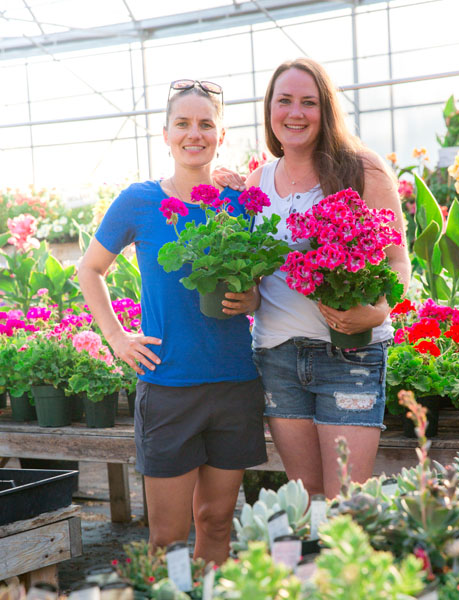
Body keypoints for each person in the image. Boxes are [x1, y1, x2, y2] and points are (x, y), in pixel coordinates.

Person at [78, 79, 267, 564]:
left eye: (206, 124)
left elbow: (263, 284)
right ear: (165, 134)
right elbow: (90, 269)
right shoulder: (139, 201)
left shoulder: (240, 203)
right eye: (182, 123)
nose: (194, 133)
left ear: (221, 136)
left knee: (218, 521)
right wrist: (118, 338)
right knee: (167, 536)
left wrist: (252, 297)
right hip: (168, 386)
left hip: (234, 383)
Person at [214, 58, 411, 499]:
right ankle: (311, 571)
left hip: (350, 356)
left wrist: (377, 311)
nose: (295, 113)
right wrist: (247, 297)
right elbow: (254, 272)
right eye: (284, 101)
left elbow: (398, 262)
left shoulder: (362, 169)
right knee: (307, 499)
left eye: (309, 102)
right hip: (278, 358)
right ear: (270, 111)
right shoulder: (257, 182)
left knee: (347, 503)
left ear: (327, 110)